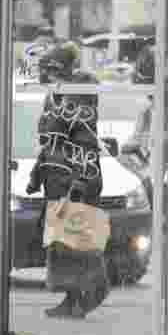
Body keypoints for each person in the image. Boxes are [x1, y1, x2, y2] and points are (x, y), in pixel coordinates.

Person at [26, 70, 107, 319]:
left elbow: (85, 153)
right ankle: (72, 299)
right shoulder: (65, 119)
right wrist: (36, 177)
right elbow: (48, 151)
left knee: (75, 247)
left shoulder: (78, 121)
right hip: (62, 189)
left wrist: (78, 184)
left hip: (72, 190)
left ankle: (82, 297)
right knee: (65, 248)